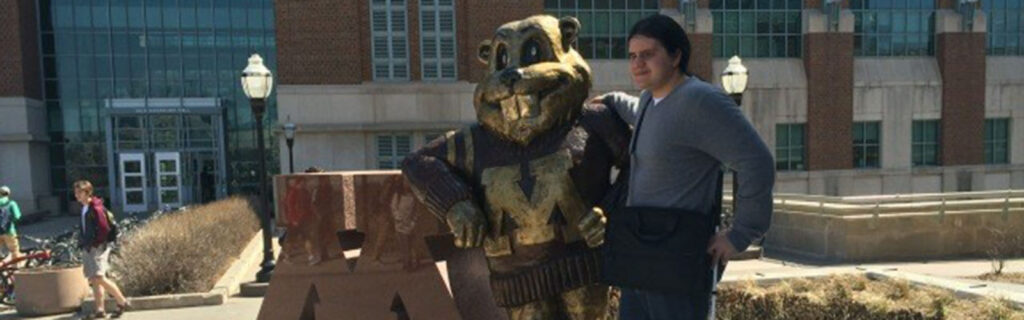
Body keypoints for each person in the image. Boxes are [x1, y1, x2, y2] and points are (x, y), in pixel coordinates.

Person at [596, 14, 775, 319]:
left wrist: (740, 234)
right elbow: (637, 112)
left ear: (676, 55)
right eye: (633, 56)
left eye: (648, 54)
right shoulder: (650, 102)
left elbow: (757, 161)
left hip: (678, 260)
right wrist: (608, 100)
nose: (638, 63)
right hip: (640, 254)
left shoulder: (701, 100)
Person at [74, 180, 130, 319]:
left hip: (97, 247)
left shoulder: (95, 208)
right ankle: (100, 310)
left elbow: (104, 228)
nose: (76, 195)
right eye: (76, 192)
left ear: (87, 192)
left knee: (97, 277)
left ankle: (122, 301)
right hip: (89, 246)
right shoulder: (85, 208)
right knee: (95, 279)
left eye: (79, 192)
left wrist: (95, 243)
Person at [0, 186, 22, 265]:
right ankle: (16, 270)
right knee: (14, 252)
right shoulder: (11, 203)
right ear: (9, 194)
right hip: (9, 231)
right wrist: (10, 222)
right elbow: (17, 216)